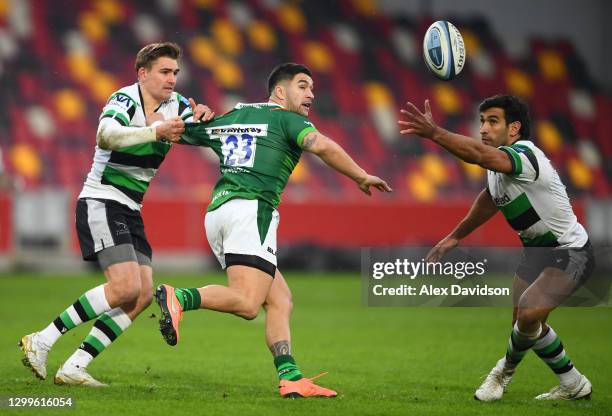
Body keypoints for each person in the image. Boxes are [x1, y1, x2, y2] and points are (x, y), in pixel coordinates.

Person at [154, 63, 392, 398]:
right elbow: (321, 146)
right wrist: (360, 175)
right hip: (252, 211)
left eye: (312, 87)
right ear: (280, 92)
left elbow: (180, 132)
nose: (310, 94)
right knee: (249, 304)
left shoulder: (235, 114)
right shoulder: (288, 118)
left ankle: (291, 377)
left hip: (219, 213)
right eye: (302, 85)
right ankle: (180, 297)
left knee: (279, 299)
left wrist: (190, 117)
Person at [19, 42, 213, 387]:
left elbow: (198, 134)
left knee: (140, 295)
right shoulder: (124, 99)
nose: (172, 79)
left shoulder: (179, 106)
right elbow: (105, 135)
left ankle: (74, 366)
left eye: (175, 73)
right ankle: (43, 338)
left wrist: (204, 119)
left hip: (131, 208)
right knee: (124, 287)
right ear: (143, 73)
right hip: (102, 199)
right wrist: (154, 131)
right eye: (164, 72)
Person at [398, 95, 594, 401]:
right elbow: (489, 200)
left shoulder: (526, 156)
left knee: (529, 315)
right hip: (535, 253)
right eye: (482, 122)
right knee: (525, 324)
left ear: (514, 128)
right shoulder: (498, 166)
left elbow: (477, 154)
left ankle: (502, 372)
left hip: (569, 251)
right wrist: (455, 236)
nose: (483, 129)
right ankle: (574, 384)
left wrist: (436, 132)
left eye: (492, 121)